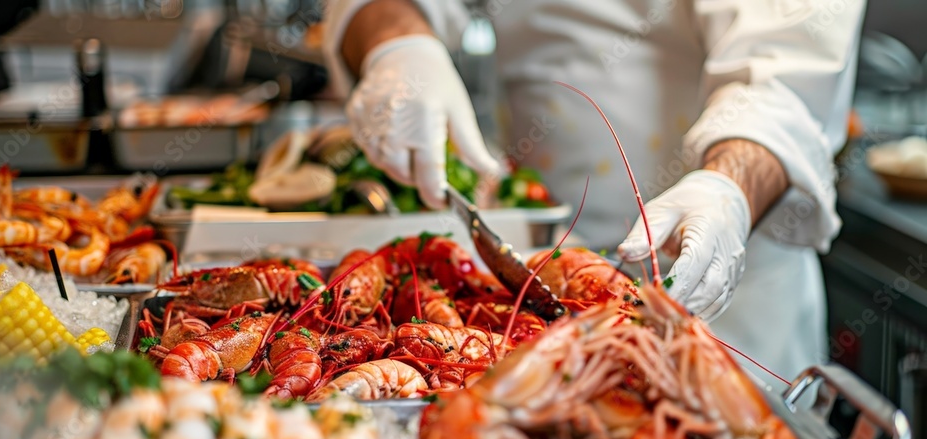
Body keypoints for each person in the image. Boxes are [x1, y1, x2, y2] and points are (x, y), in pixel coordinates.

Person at [320, 0, 866, 388]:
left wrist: (727, 189)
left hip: (731, 306)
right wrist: (400, 44)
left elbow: (788, 85)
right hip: (536, 270)